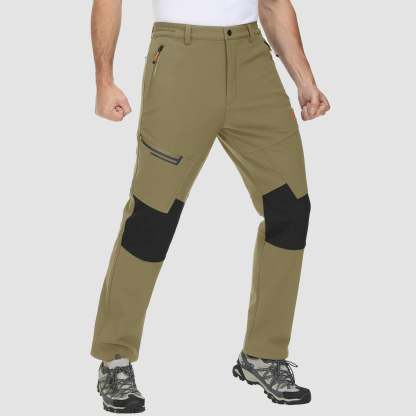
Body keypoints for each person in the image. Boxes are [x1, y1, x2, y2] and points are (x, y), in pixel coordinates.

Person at [91, 0, 330, 412]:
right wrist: (104, 79)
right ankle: (114, 358)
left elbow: (273, 3)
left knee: (290, 207)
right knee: (153, 214)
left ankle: (263, 354)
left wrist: (305, 80)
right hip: (179, 59)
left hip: (252, 59)